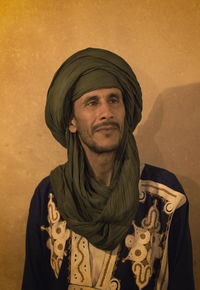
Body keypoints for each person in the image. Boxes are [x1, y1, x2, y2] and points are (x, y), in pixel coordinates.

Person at [22, 48, 194, 290]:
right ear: (71, 121)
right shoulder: (48, 195)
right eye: (92, 103)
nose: (106, 113)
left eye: (114, 100)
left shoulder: (166, 195)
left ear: (125, 111)